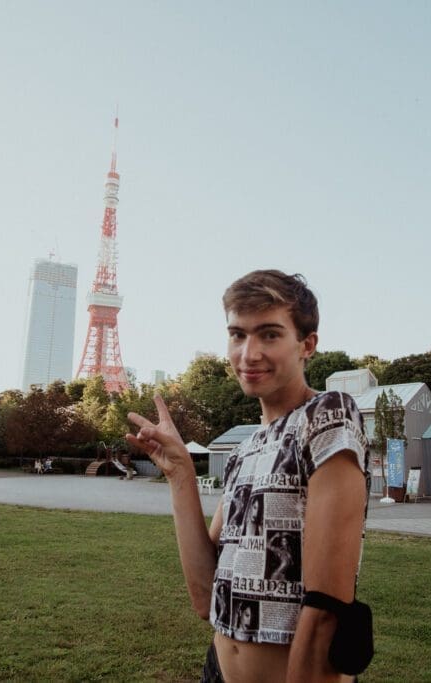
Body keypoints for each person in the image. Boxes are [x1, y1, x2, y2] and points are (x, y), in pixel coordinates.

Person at [127, 270, 370, 682]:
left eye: (270, 335)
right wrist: (181, 475)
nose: (249, 353)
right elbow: (206, 597)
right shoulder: (246, 450)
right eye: (238, 335)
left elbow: (326, 606)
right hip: (217, 669)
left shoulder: (327, 417)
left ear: (306, 344)